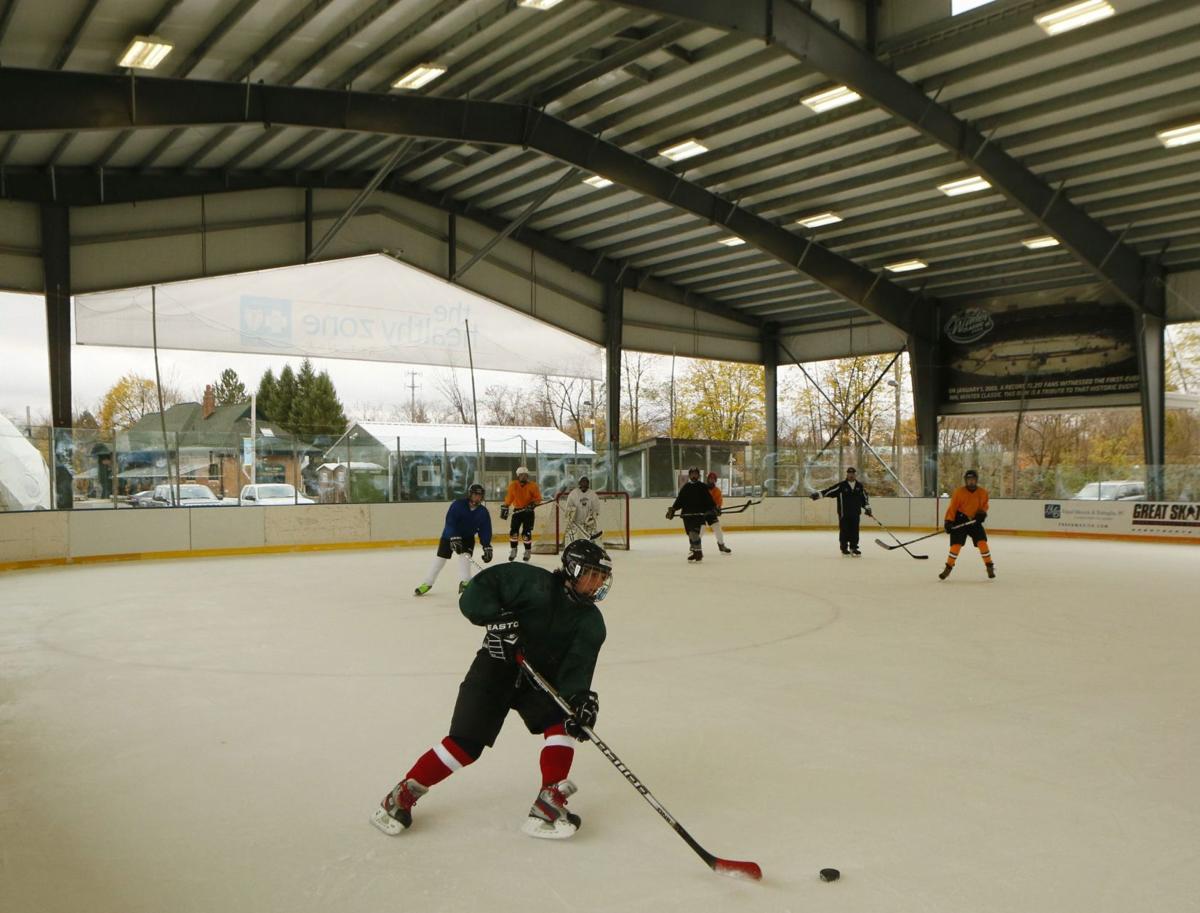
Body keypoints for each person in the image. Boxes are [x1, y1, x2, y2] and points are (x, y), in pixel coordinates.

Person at [371, 539, 614, 840]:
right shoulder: (529, 581)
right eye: (592, 574)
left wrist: (579, 700)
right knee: (464, 746)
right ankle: (402, 794)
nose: (597, 583)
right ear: (573, 570)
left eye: (602, 577)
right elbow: (475, 593)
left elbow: (577, 668)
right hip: (494, 669)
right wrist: (496, 619)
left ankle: (548, 802)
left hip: (536, 680)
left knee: (562, 722)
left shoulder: (591, 622)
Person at [414, 483, 493, 597]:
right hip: (449, 536)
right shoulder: (458, 505)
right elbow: (450, 521)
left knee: (465, 557)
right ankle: (427, 583)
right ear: (470, 494)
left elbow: (485, 529)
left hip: (467, 537)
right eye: (475, 495)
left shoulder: (483, 511)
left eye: (480, 495)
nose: (477, 497)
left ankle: (465, 582)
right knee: (440, 560)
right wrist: (454, 536)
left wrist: (486, 545)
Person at [940, 469, 994, 580]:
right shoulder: (959, 492)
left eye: (973, 479)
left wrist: (982, 514)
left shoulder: (982, 493)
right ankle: (948, 567)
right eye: (969, 480)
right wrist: (948, 521)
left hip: (974, 521)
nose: (971, 482)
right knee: (956, 545)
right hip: (960, 519)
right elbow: (952, 508)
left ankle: (989, 566)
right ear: (965, 480)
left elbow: (984, 506)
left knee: (982, 542)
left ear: (976, 480)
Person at [810, 467, 872, 556]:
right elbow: (830, 491)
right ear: (847, 474)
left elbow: (864, 498)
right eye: (849, 473)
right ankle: (844, 548)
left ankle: (854, 547)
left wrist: (867, 507)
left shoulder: (859, 486)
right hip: (844, 513)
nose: (851, 475)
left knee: (855, 530)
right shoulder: (841, 486)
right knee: (844, 530)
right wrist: (819, 495)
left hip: (855, 513)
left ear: (855, 475)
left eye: (853, 473)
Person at [666, 467, 716, 562]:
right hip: (687, 515)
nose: (694, 476)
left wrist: (713, 508)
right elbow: (679, 500)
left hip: (698, 515)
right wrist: (673, 509)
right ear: (689, 475)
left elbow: (708, 499)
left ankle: (698, 552)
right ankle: (694, 551)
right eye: (692, 474)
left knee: (694, 533)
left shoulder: (702, 486)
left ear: (698, 475)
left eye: (695, 474)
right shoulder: (686, 487)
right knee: (690, 534)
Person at [501, 466, 543, 562]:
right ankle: (513, 549)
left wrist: (533, 504)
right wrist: (506, 505)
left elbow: (538, 499)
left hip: (528, 512)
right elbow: (510, 497)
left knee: (526, 533)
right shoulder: (513, 485)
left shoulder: (533, 486)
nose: (523, 477)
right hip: (517, 511)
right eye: (521, 475)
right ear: (518, 476)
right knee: (513, 532)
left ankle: (527, 551)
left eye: (525, 475)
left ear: (527, 476)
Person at [563, 476, 602, 545]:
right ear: (579, 484)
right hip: (575, 525)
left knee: (593, 541)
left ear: (588, 484)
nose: (584, 484)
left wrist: (591, 519)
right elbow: (568, 509)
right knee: (573, 540)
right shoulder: (573, 494)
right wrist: (570, 515)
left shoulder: (593, 495)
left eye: (586, 482)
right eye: (582, 482)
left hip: (589, 525)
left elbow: (596, 510)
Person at [703, 471, 732, 554]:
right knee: (701, 529)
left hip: (711, 513)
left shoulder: (717, 491)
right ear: (707, 479)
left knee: (717, 528)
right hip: (702, 513)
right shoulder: (702, 489)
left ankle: (721, 545)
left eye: (713, 479)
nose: (711, 480)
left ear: (715, 480)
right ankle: (695, 546)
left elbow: (718, 503)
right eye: (710, 478)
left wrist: (718, 509)